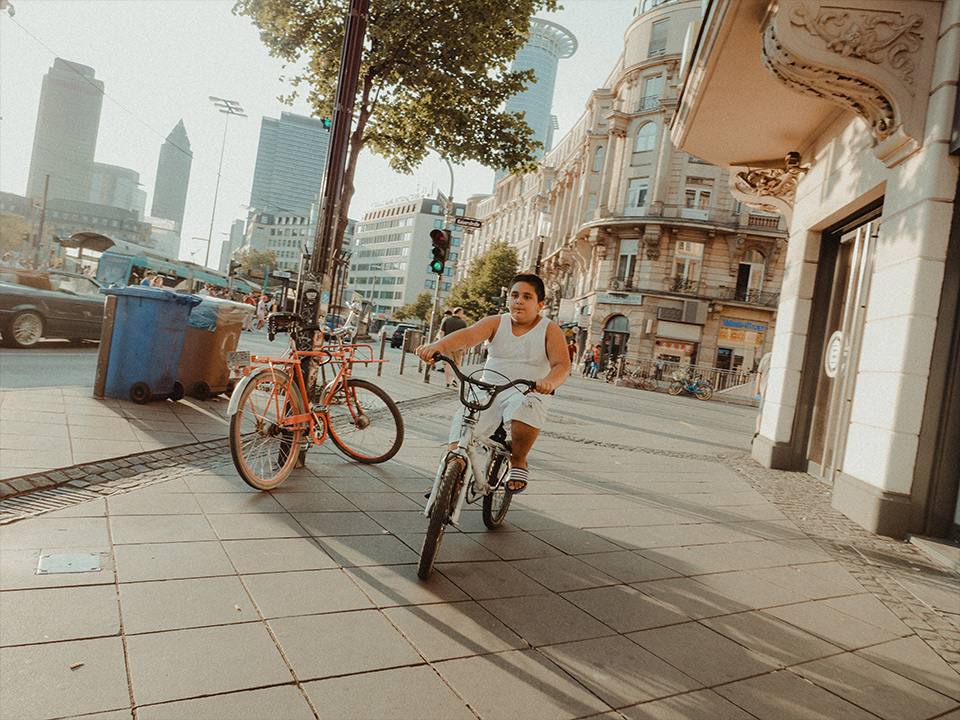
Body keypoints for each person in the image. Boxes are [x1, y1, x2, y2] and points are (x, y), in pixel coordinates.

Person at [416, 273, 570, 494]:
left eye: (527, 297)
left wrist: (548, 382)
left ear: (540, 305)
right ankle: (452, 477)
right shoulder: (497, 322)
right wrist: (439, 346)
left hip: (528, 390)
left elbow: (562, 365)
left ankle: (518, 460)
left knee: (527, 406)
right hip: (488, 389)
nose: (519, 301)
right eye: (515, 295)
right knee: (462, 426)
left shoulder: (549, 329)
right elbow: (468, 335)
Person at [438, 306, 468, 388]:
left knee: (447, 363)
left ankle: (447, 382)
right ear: (460, 313)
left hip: (447, 345)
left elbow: (441, 332)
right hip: (458, 346)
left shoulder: (446, 320)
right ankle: (454, 379)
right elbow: (465, 337)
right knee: (457, 363)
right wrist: (465, 349)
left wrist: (441, 343)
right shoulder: (463, 323)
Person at [754, 351, 772, 443]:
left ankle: (758, 430)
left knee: (761, 412)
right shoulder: (782, 358)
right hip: (774, 392)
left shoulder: (766, 356)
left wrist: (757, 390)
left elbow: (759, 375)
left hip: (764, 389)